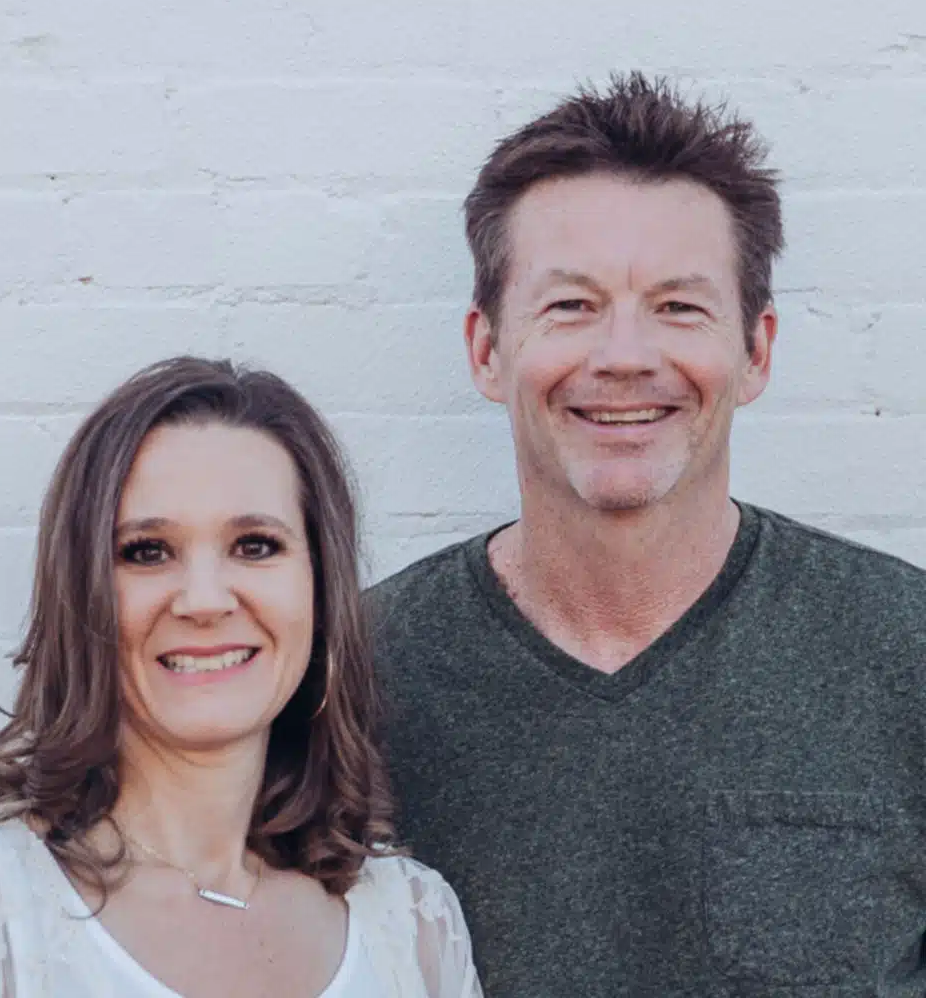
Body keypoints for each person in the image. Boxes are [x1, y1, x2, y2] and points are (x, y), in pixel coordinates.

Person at [369, 71, 926, 996]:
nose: (624, 356)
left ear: (755, 350)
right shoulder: (357, 677)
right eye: (571, 305)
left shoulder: (903, 649)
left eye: (678, 306)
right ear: (486, 350)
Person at [0, 356, 483, 998]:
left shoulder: (413, 925)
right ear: (82, 594)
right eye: (147, 552)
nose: (204, 600)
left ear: (320, 589)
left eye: (255, 545)